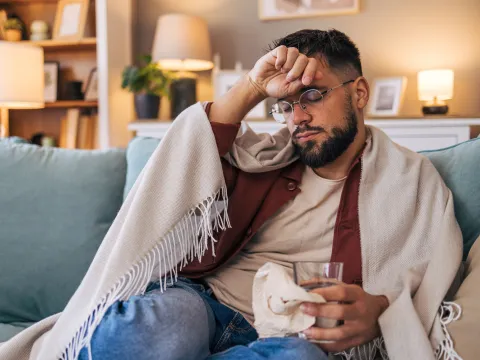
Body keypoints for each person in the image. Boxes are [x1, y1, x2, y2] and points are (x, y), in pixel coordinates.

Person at [78, 29, 459, 360]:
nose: (298, 117)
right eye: (286, 105)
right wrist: (254, 87)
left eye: (311, 96)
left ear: (359, 93)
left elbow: (427, 285)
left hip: (292, 335)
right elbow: (186, 159)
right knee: (138, 336)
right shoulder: (258, 158)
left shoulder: (409, 179)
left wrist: (381, 312)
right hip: (202, 304)